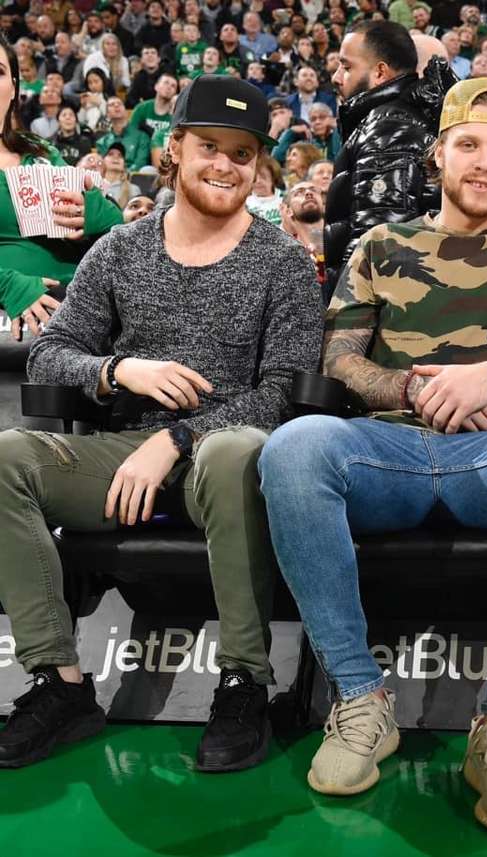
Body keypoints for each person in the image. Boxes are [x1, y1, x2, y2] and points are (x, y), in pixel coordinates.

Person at [257, 77, 487, 832]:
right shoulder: (381, 246)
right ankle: (360, 698)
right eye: (470, 145)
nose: (485, 162)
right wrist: (422, 394)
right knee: (293, 446)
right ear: (437, 154)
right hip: (394, 448)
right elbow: (341, 359)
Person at [0, 75, 322, 771]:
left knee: (234, 450)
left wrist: (175, 437)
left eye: (242, 154)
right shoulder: (119, 249)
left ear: (259, 164)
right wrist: (120, 371)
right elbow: (51, 353)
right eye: (210, 146)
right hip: (123, 457)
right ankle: (59, 684)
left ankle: (243, 681)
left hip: (228, 459)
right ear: (174, 147)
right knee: (6, 455)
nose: (225, 165)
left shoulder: (284, 262)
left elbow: (284, 394)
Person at [0, 35, 122, 342]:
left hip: (85, 298)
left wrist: (90, 212)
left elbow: (115, 225)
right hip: (22, 315)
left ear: (14, 87)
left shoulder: (39, 150)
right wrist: (8, 284)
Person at [324, 19, 454, 301]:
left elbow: (378, 245)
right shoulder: (398, 118)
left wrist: (347, 323)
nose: (336, 77)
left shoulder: (388, 128)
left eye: (346, 66)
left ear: (380, 72)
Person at [96, 96, 151, 172]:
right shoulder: (102, 142)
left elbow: (140, 163)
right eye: (112, 105)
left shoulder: (142, 137)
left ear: (126, 112)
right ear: (107, 115)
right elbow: (103, 165)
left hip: (133, 178)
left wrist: (124, 174)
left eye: (120, 104)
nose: (116, 105)